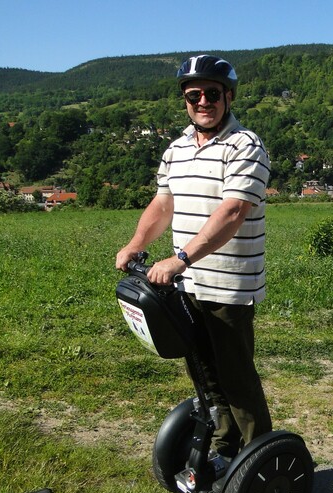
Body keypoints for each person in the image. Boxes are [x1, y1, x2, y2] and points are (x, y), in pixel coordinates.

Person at [115, 55, 273, 465]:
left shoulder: (245, 144)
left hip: (228, 285)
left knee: (236, 379)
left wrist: (180, 257)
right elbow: (162, 205)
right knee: (204, 374)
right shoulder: (176, 149)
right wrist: (136, 243)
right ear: (185, 100)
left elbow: (234, 211)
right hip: (184, 286)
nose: (203, 101)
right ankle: (223, 447)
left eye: (212, 94)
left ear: (229, 96)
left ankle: (261, 460)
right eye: (194, 95)